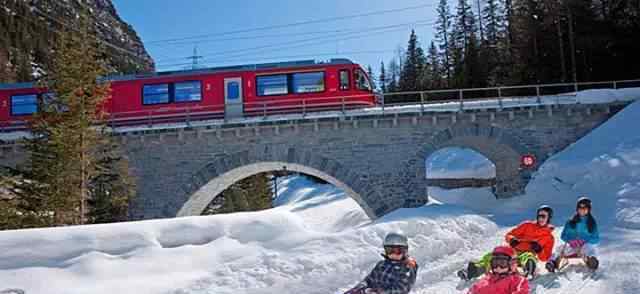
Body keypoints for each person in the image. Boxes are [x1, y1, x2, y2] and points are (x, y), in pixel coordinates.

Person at [458, 205, 555, 280]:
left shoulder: (549, 237)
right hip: (513, 251)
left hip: (527, 253)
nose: (540, 218)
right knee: (494, 256)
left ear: (549, 218)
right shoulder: (527, 225)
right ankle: (472, 271)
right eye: (539, 216)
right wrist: (512, 240)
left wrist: (539, 249)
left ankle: (529, 270)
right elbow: (509, 235)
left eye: (543, 216)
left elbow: (545, 257)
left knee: (528, 257)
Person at [345, 233, 418, 294]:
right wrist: (360, 287)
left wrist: (379, 292)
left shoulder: (407, 267)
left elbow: (402, 289)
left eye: (397, 251)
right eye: (389, 250)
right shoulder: (381, 264)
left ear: (405, 250)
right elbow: (369, 279)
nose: (393, 254)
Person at [546, 197, 600, 272]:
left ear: (589, 209)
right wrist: (571, 240)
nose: (582, 209)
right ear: (577, 209)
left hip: (584, 247)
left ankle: (591, 261)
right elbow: (563, 235)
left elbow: (596, 238)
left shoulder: (592, 223)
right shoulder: (570, 222)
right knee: (559, 249)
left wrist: (583, 240)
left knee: (591, 248)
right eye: (580, 207)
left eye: (585, 207)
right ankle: (552, 263)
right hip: (572, 246)